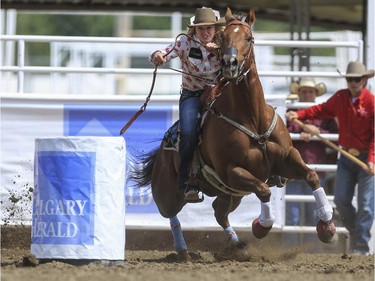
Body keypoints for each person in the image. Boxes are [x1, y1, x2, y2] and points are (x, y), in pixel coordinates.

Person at [285, 61, 374, 255]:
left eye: (356, 79)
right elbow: (319, 110)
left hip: (366, 158)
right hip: (345, 156)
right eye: (350, 79)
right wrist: (299, 114)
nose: (353, 82)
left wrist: (373, 159)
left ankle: (361, 245)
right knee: (341, 201)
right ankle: (357, 233)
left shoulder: (372, 103)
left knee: (366, 205)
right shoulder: (340, 98)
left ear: (364, 80)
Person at [149, 7, 225, 203]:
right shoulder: (184, 43)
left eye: (209, 28)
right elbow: (165, 53)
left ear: (215, 29)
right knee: (189, 131)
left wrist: (222, 52)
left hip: (221, 94)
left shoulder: (225, 44)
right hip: (192, 95)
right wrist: (157, 56)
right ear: (194, 30)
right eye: (201, 29)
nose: (205, 32)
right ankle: (187, 181)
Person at [285, 77, 338, 227]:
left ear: (315, 94)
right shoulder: (290, 113)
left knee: (313, 216)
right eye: (304, 91)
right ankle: (291, 248)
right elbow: (281, 137)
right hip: (294, 172)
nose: (307, 94)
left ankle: (312, 248)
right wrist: (300, 130)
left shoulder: (324, 113)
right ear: (299, 93)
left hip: (315, 172)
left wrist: (318, 131)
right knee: (292, 216)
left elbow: (336, 139)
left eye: (310, 91)